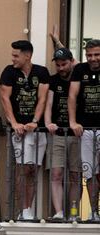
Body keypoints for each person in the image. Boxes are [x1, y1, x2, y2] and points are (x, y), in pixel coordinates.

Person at [0, 40, 49, 220]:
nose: (12, 58)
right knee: (22, 168)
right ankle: (24, 209)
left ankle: (29, 208)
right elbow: (5, 99)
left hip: (37, 129)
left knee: (33, 169)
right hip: (19, 130)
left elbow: (42, 98)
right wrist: (14, 123)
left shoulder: (41, 72)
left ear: (27, 55)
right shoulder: (9, 72)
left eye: (16, 55)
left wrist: (35, 121)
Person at [45, 47, 80, 219]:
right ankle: (58, 212)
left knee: (75, 175)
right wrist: (47, 123)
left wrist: (58, 42)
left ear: (72, 61)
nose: (61, 68)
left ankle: (73, 213)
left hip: (77, 134)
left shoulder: (79, 76)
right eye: (58, 65)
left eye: (64, 64)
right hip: (57, 133)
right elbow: (49, 104)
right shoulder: (53, 81)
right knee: (56, 173)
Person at [68, 39, 100, 221]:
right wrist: (73, 122)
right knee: (90, 172)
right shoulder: (80, 70)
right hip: (86, 129)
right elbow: (72, 96)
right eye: (89, 55)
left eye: (96, 54)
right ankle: (94, 211)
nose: (93, 58)